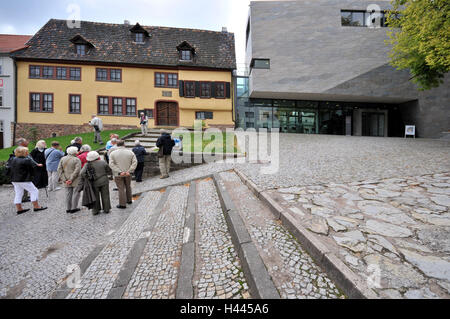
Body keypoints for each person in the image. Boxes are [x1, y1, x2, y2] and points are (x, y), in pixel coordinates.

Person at [9, 146, 47, 214]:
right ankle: (36, 206)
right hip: (24, 179)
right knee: (34, 191)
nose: (28, 152)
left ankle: (19, 209)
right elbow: (32, 169)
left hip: (14, 179)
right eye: (27, 151)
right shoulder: (26, 160)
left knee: (18, 193)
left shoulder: (12, 159)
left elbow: (8, 169)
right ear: (23, 153)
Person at [81, 151, 112, 215]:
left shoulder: (87, 164)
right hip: (104, 180)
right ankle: (106, 209)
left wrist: (88, 177)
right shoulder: (103, 162)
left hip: (94, 182)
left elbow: (82, 173)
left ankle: (95, 210)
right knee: (105, 195)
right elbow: (109, 170)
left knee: (95, 196)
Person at [109, 140, 137, 209]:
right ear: (124, 144)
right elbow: (135, 162)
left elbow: (111, 164)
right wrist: (129, 171)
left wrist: (119, 171)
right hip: (128, 173)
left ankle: (122, 204)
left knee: (121, 188)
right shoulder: (130, 152)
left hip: (118, 174)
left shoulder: (112, 153)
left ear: (117, 145)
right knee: (128, 186)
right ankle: (129, 200)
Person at [58, 146, 82, 214]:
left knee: (68, 194)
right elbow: (77, 170)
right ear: (75, 152)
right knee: (76, 193)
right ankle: (74, 208)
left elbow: (59, 170)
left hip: (66, 179)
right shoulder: (76, 159)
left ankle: (68, 208)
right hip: (75, 179)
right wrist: (71, 179)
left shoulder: (62, 159)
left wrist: (64, 179)